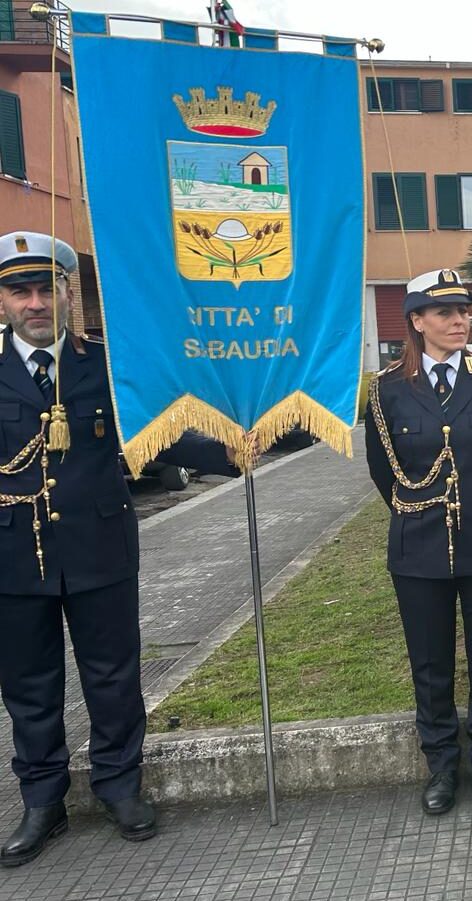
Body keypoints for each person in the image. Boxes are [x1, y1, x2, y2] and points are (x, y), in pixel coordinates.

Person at [0, 232, 236, 866]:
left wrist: (234, 447)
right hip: (14, 555)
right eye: (20, 292)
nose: (35, 303)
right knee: (28, 685)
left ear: (67, 293)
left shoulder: (105, 365)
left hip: (99, 547)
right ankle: (42, 802)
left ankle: (119, 786)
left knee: (112, 676)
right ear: (3, 301)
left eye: (46, 288)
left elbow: (158, 434)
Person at [364, 268, 472, 816]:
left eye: (463, 311)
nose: (460, 320)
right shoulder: (388, 389)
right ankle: (440, 764)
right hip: (419, 544)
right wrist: (423, 513)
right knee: (430, 663)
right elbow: (385, 473)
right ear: (416, 321)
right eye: (444, 312)